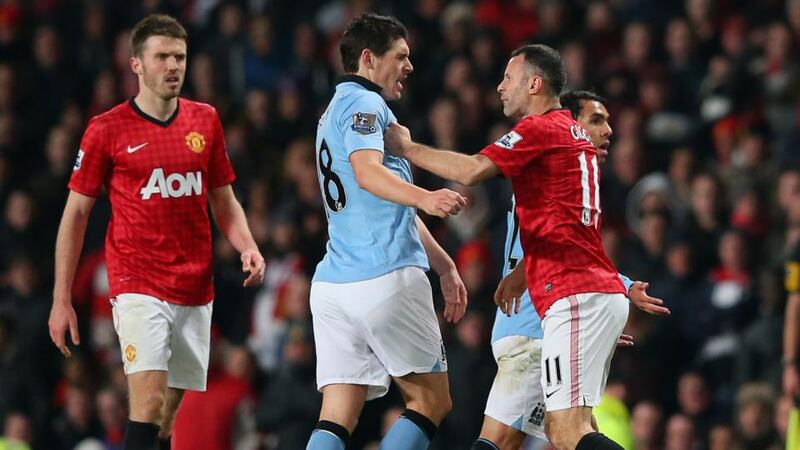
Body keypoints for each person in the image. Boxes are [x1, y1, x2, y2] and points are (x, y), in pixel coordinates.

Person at [385, 44, 634, 450]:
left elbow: (470, 170)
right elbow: (567, 228)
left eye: (508, 78)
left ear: (534, 84)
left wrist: (407, 148)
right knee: (543, 433)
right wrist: (523, 273)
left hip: (572, 297)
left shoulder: (542, 129)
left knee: (568, 431)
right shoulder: (574, 139)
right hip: (578, 294)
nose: (500, 87)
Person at [47, 14, 265, 450]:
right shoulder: (107, 129)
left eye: (179, 57)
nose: (173, 66)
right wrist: (61, 297)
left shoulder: (205, 120)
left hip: (194, 285)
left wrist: (248, 246)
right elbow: (76, 215)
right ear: (136, 65)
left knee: (165, 419)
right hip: (137, 282)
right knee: (146, 404)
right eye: (162, 56)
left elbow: (223, 200)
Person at [472, 91, 671, 450]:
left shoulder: (566, 174)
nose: (608, 130)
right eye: (595, 120)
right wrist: (612, 294)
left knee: (557, 432)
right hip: (538, 322)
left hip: (541, 319)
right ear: (570, 126)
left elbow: (568, 250)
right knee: (562, 433)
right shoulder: (558, 174)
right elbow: (556, 246)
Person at [306, 13, 468, 450]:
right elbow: (367, 174)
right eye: (400, 56)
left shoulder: (331, 112)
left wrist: (444, 265)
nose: (409, 66)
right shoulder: (366, 104)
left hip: (334, 286)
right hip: (385, 275)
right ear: (368, 58)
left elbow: (382, 200)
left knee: (337, 416)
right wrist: (426, 196)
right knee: (431, 401)